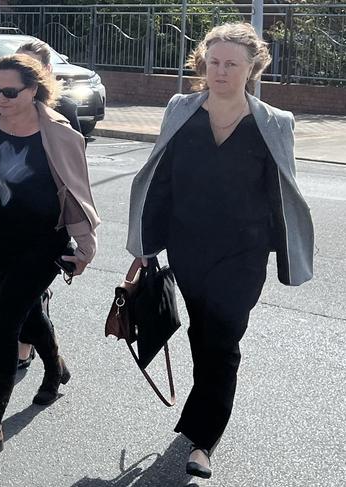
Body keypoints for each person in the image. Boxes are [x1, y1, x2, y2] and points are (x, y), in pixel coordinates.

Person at [125, 23, 313, 479]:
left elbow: (281, 193)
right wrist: (146, 247)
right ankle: (204, 413)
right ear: (202, 63)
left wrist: (287, 253)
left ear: (252, 68)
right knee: (200, 333)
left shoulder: (274, 122)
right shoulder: (180, 110)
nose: (221, 71)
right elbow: (161, 180)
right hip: (188, 248)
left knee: (223, 338)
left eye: (232, 64)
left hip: (244, 254)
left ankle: (202, 440)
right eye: (214, 62)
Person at [0, 54, 100, 462]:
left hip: (45, 243)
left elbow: (76, 192)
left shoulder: (59, 135)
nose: (1, 98)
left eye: (11, 92)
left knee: (5, 319)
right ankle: (55, 365)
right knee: (28, 314)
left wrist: (85, 244)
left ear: (34, 89)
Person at [12, 40, 84, 370]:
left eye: (32, 69)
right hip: (7, 216)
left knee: (27, 293)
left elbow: (75, 168)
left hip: (48, 221)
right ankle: (53, 360)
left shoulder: (64, 110)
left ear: (47, 73)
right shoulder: (2, 103)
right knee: (19, 291)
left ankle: (35, 354)